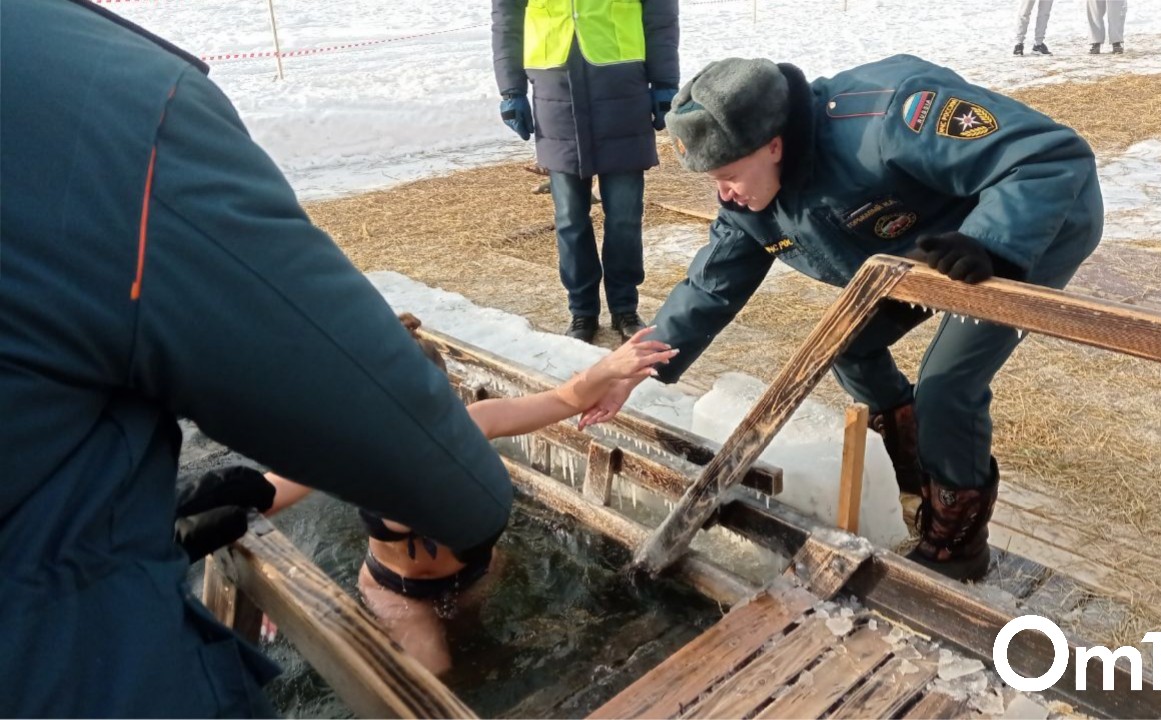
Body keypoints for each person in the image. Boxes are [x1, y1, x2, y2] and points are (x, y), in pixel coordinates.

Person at [1, 1, 509, 715]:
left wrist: (597, 383)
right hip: (80, 657)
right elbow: (347, 424)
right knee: (430, 669)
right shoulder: (103, 94)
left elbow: (510, 414)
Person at [578, 55, 1104, 583]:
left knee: (949, 384)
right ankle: (909, 464)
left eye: (730, 176)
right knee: (849, 342)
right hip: (916, 252)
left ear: (774, 145)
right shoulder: (753, 197)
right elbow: (709, 286)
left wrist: (991, 242)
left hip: (1028, 225)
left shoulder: (887, 119)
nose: (724, 194)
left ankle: (958, 542)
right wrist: (632, 371)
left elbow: (1047, 157)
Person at [260, 313, 677, 673]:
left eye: (433, 411)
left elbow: (560, 400)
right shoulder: (348, 452)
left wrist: (607, 369)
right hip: (398, 591)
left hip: (479, 573)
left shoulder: (473, 422)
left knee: (486, 652)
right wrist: (269, 581)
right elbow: (261, 496)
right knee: (435, 675)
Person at [491, 0, 680, 343]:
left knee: (624, 215)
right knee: (569, 217)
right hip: (554, 86)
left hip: (622, 83)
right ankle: (582, 312)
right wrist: (511, 89)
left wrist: (664, 80)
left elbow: (660, 11)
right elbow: (507, 17)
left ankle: (625, 308)